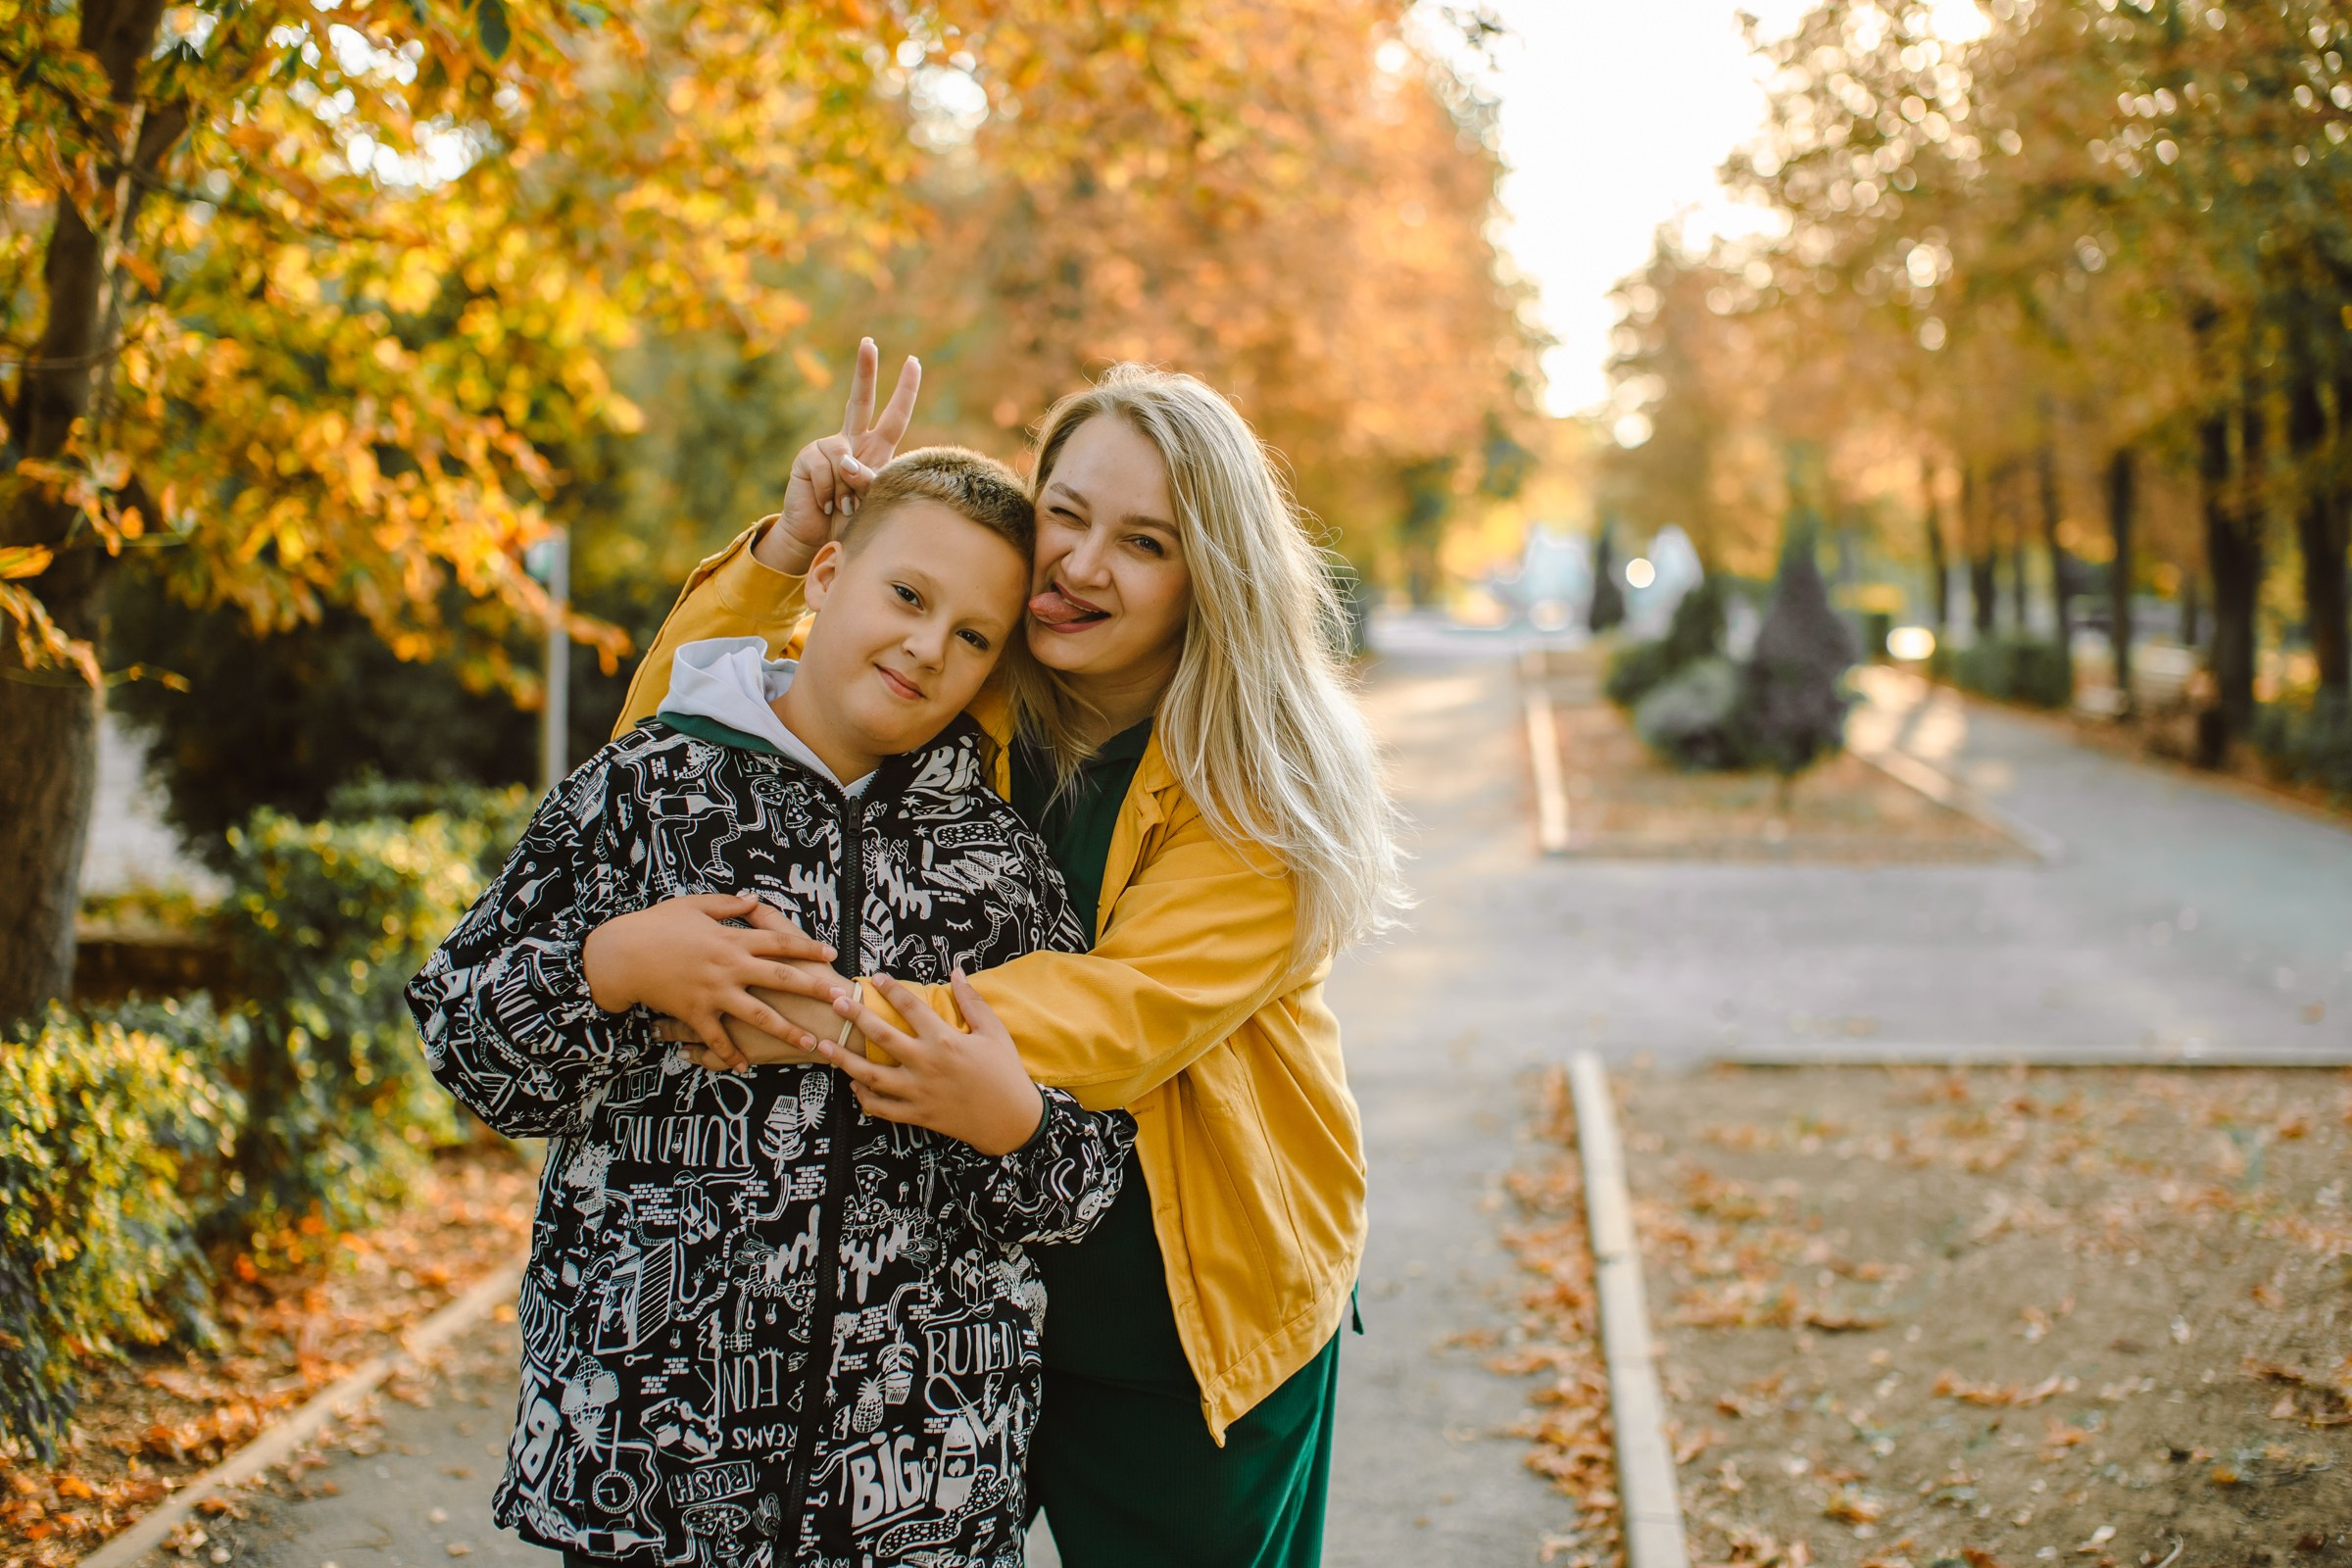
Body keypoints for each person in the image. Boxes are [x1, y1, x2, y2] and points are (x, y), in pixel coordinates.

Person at [611, 344, 1402, 1566]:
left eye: (1145, 542)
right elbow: (666, 765)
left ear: (1214, 578)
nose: (1082, 564)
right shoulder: (967, 671)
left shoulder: (1263, 792)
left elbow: (1113, 1012)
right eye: (1068, 517)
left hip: (1173, 1312)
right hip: (949, 1291)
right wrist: (785, 561)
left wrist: (798, 1008)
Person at [406, 447, 1136, 1568]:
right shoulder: (646, 791)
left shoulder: (1000, 869)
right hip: (644, 1463)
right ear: (824, 574)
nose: (928, 646)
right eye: (906, 595)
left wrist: (1011, 1122)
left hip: (920, 1487)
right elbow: (463, 1039)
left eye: (974, 634)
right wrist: (611, 967)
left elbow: (1082, 1185)